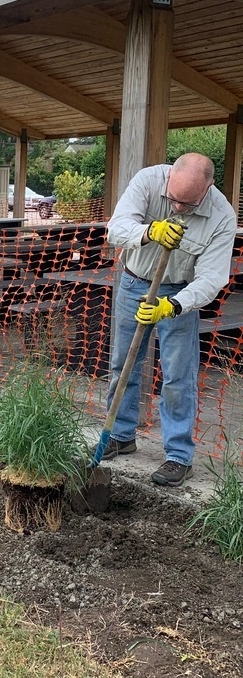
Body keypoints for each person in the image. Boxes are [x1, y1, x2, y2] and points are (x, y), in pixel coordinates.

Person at [104, 152, 236, 487]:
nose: (178, 208)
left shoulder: (221, 216)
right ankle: (120, 435)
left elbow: (212, 278)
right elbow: (116, 229)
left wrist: (173, 306)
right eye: (173, 200)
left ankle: (178, 456)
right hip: (134, 282)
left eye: (188, 204)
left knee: (178, 376)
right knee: (124, 363)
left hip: (179, 292)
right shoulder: (149, 181)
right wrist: (150, 231)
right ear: (168, 180)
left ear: (207, 190)